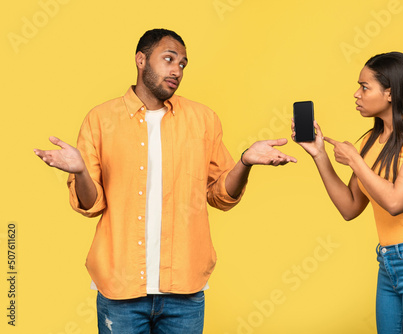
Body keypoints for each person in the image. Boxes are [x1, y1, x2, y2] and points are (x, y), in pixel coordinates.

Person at [34, 28, 296, 334]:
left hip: (184, 290)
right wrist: (79, 171)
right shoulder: (100, 120)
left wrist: (245, 162)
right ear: (141, 60)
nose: (177, 70)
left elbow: (221, 196)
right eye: (169, 59)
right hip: (120, 289)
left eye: (183, 64)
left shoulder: (203, 120)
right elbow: (90, 205)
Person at [293, 52, 403, 333]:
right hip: (388, 263)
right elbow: (350, 208)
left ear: (390, 93)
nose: (356, 94)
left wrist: (356, 161)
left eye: (364, 86)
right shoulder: (370, 141)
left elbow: (396, 202)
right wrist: (319, 155)